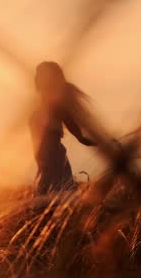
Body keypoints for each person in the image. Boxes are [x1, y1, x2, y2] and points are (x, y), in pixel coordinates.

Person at [29, 61, 97, 195]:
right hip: (45, 156)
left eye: (41, 75)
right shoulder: (41, 105)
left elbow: (68, 120)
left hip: (51, 155)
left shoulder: (55, 104)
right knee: (51, 192)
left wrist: (80, 137)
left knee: (55, 191)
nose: (36, 78)